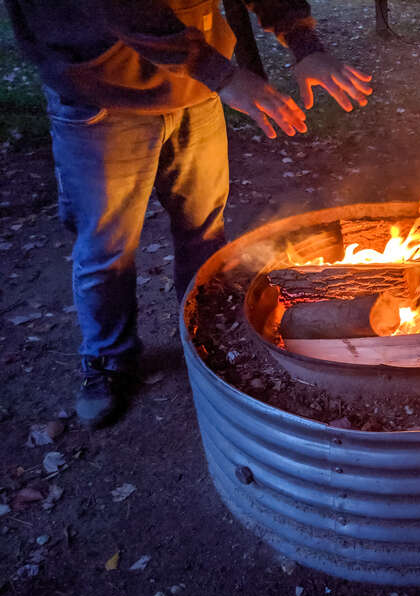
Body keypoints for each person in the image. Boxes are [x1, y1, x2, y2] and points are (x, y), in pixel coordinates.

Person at [5, 0, 372, 428]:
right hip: (100, 93)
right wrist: (225, 75)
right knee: (107, 246)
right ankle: (107, 361)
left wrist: (304, 43)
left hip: (194, 92)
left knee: (203, 233)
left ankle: (200, 339)